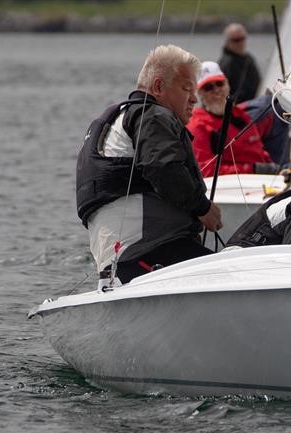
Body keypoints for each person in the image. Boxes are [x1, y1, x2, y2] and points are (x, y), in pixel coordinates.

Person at [76, 44, 223, 284]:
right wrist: (202, 208)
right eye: (187, 88)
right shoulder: (152, 115)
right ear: (157, 87)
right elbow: (163, 168)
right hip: (151, 253)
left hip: (123, 263)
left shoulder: (120, 120)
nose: (194, 99)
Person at [187, 61, 278, 177]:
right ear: (200, 94)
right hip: (234, 186)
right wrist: (252, 169)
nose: (216, 90)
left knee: (276, 104)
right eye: (208, 87)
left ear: (227, 85)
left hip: (262, 179)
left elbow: (258, 151)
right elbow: (204, 170)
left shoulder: (241, 116)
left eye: (219, 83)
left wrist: (276, 169)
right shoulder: (196, 126)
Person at [218, 23, 261, 104]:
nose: (240, 43)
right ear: (227, 42)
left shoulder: (248, 58)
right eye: (236, 40)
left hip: (254, 105)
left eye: (242, 38)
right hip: (237, 109)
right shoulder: (226, 64)